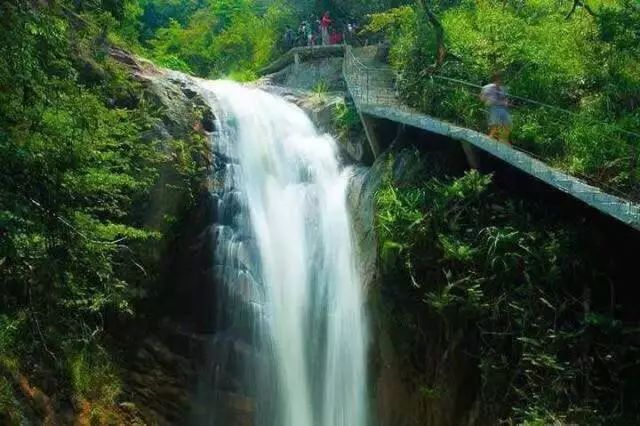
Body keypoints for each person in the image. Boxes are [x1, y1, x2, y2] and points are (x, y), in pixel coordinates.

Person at [480, 73, 512, 145]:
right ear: (495, 79)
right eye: (499, 79)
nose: (501, 81)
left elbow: (506, 99)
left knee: (508, 124)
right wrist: (487, 100)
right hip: (493, 108)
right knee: (495, 125)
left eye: (501, 79)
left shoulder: (503, 88)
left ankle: (503, 140)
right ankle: (490, 138)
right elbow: (482, 98)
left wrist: (506, 102)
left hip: (503, 108)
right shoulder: (487, 87)